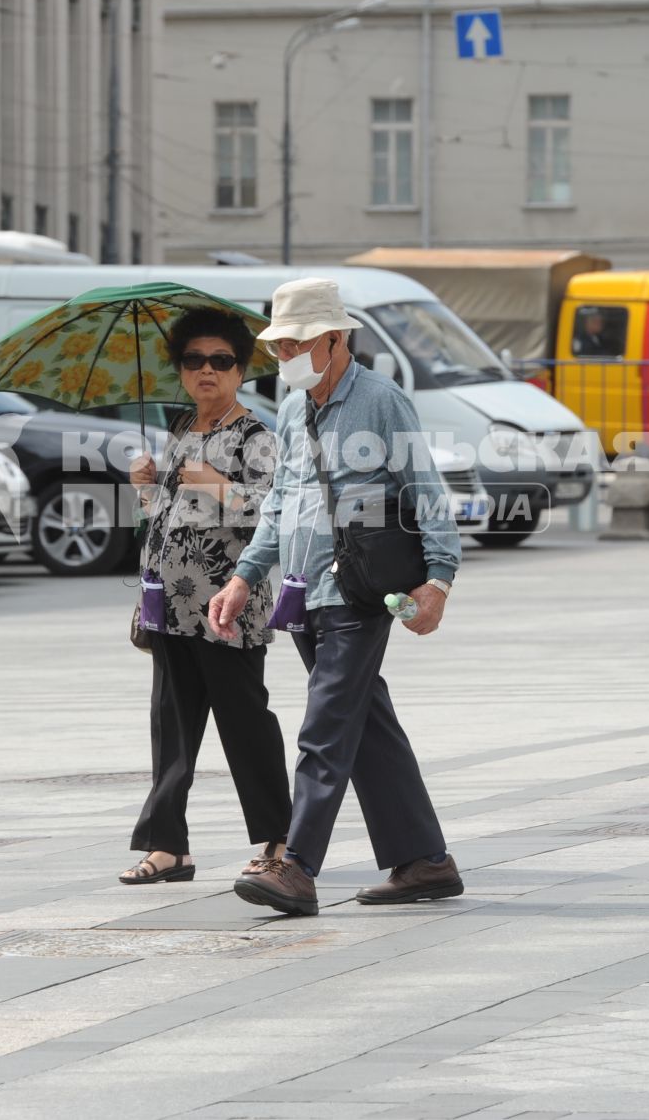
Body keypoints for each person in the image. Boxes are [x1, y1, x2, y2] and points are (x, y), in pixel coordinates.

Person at [209, 277, 463, 917]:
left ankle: (295, 865)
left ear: (333, 338)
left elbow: (427, 491)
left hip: (359, 592)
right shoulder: (293, 409)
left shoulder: (383, 401)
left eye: (293, 342)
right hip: (301, 592)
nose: (282, 354)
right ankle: (425, 861)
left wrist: (438, 579)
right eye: (275, 345)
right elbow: (280, 504)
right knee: (365, 724)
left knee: (324, 728)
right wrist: (244, 576)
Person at [121, 308, 291, 884]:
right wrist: (145, 492)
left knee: (246, 725)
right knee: (170, 726)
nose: (207, 371)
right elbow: (167, 521)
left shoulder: (257, 435)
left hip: (228, 609)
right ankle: (168, 847)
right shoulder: (179, 433)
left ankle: (280, 841)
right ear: (181, 370)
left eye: (221, 361)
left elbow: (276, 512)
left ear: (241, 370)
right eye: (194, 361)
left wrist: (217, 485)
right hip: (169, 605)